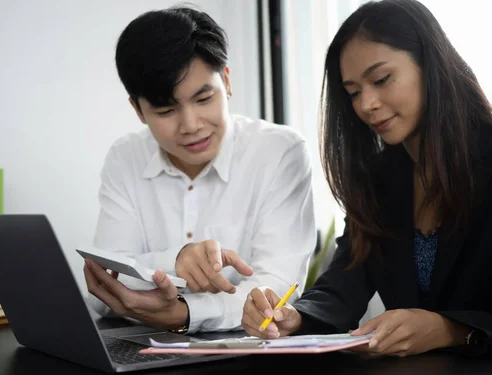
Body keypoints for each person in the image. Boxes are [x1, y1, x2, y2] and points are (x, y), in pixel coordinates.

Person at [243, 0, 492, 357]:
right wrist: (293, 316)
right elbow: (346, 280)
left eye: (381, 79)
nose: (366, 104)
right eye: (354, 92)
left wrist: (450, 329)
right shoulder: (378, 179)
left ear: (430, 63)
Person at [83, 7, 316, 334]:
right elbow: (102, 286)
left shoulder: (279, 152)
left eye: (204, 99)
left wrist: (184, 313)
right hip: (143, 350)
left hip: (247, 362)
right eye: (166, 110)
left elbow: (275, 289)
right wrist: (173, 263)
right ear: (138, 110)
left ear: (227, 81)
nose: (191, 126)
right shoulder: (126, 158)